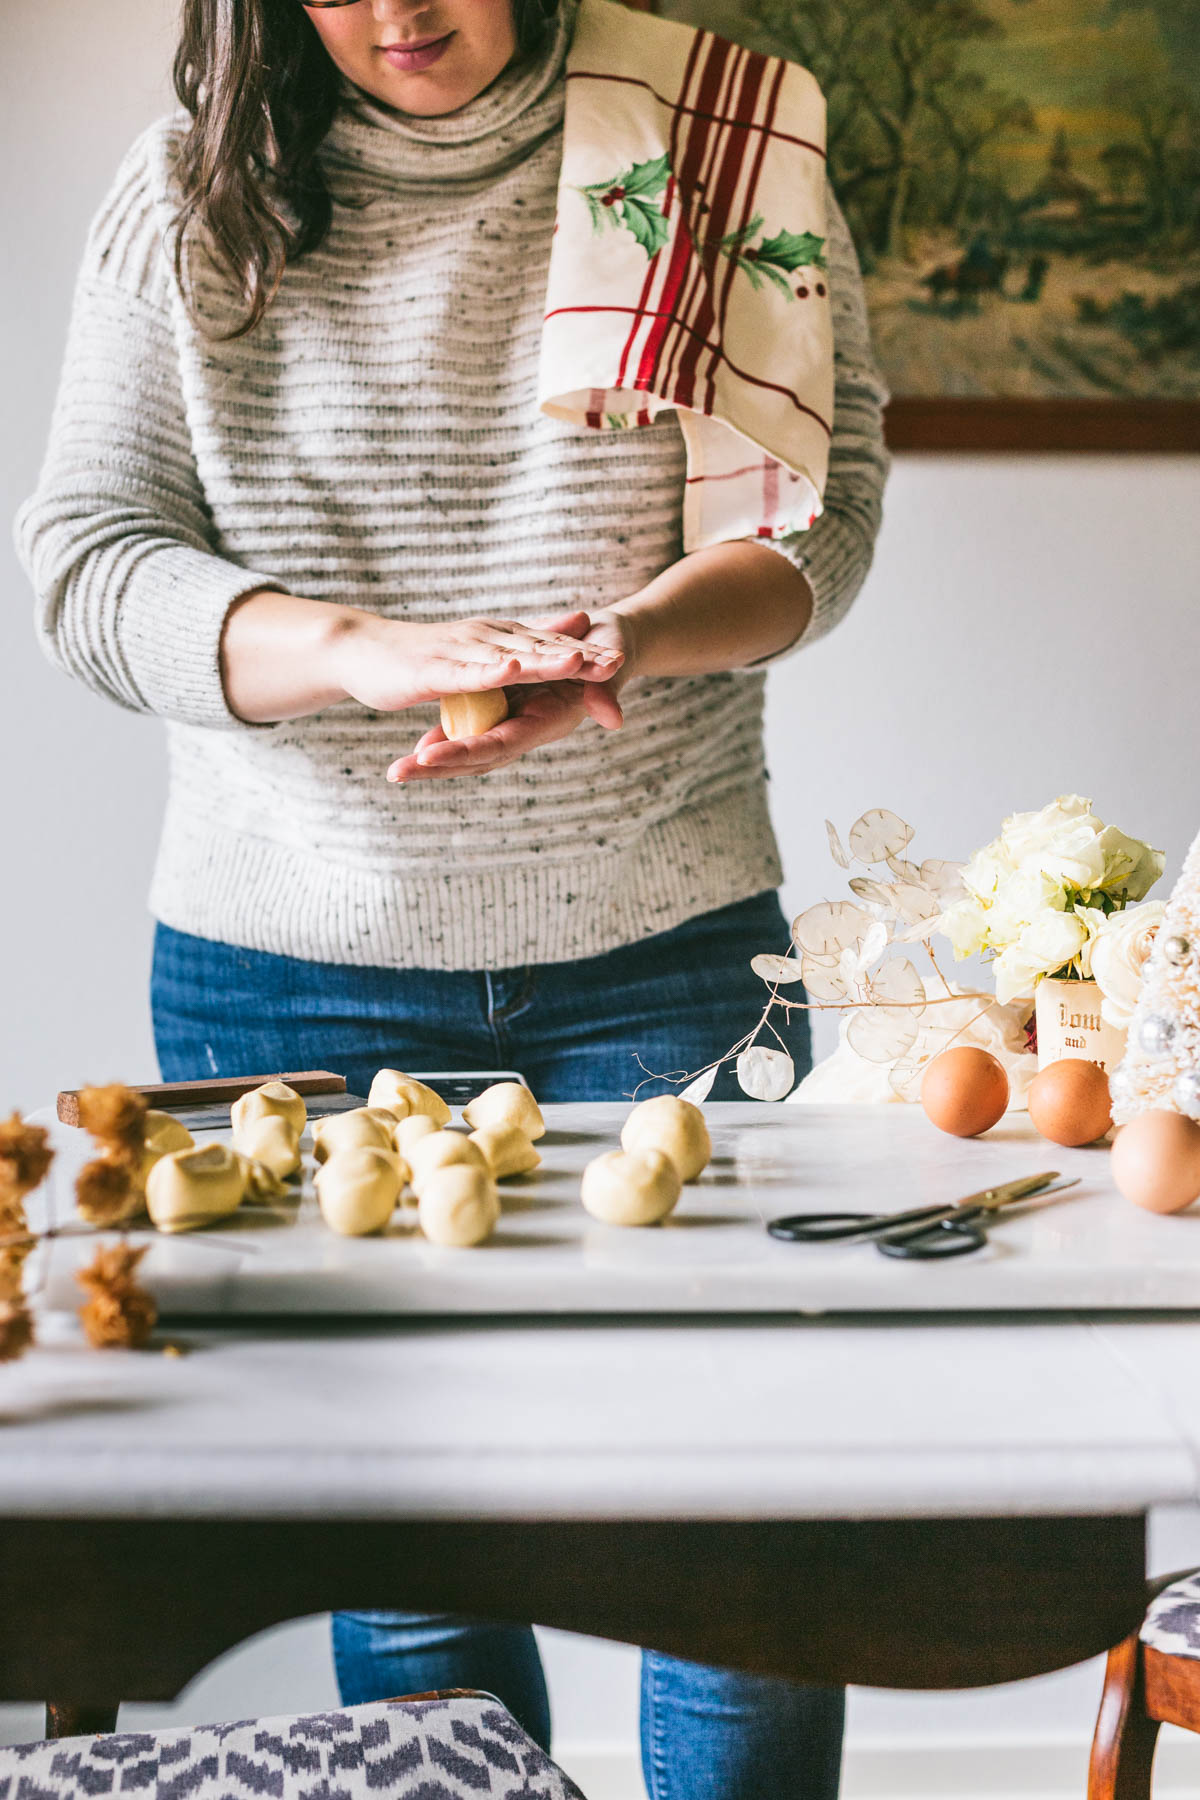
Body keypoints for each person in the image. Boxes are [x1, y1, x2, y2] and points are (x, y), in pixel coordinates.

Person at [15, 0, 889, 1793]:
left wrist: (629, 640)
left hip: (677, 947)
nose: (398, 9)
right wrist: (361, 650)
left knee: (754, 1546)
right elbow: (89, 560)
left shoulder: (714, 136)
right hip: (294, 973)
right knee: (417, 1588)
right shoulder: (193, 186)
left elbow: (825, 516)